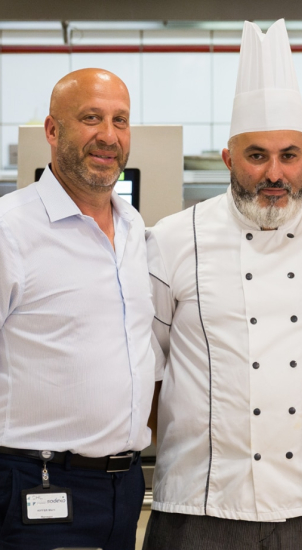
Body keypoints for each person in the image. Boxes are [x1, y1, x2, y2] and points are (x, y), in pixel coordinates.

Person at [144, 21, 302, 548]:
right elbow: (148, 370)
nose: (275, 174)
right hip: (198, 503)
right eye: (256, 156)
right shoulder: (174, 239)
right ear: (229, 158)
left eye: (289, 155)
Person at [0, 68, 152, 550]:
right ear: (52, 130)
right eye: (91, 118)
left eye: (120, 121)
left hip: (123, 487)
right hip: (35, 483)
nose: (109, 136)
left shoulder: (134, 231)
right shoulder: (10, 230)